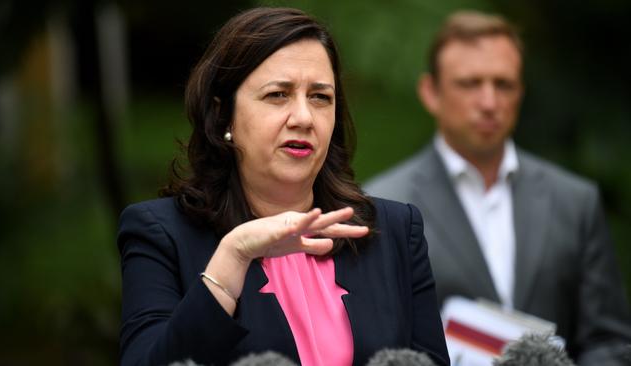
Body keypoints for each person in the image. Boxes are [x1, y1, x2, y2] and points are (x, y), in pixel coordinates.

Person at [117, 7, 450, 366]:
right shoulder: (161, 234)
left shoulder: (394, 230)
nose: (304, 118)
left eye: (320, 97)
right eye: (278, 95)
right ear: (222, 114)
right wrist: (234, 256)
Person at [364, 10, 631, 365]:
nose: (489, 102)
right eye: (470, 83)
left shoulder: (575, 201)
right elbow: (376, 343)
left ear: (520, 92)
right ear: (431, 93)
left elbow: (609, 340)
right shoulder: (382, 203)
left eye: (503, 84)